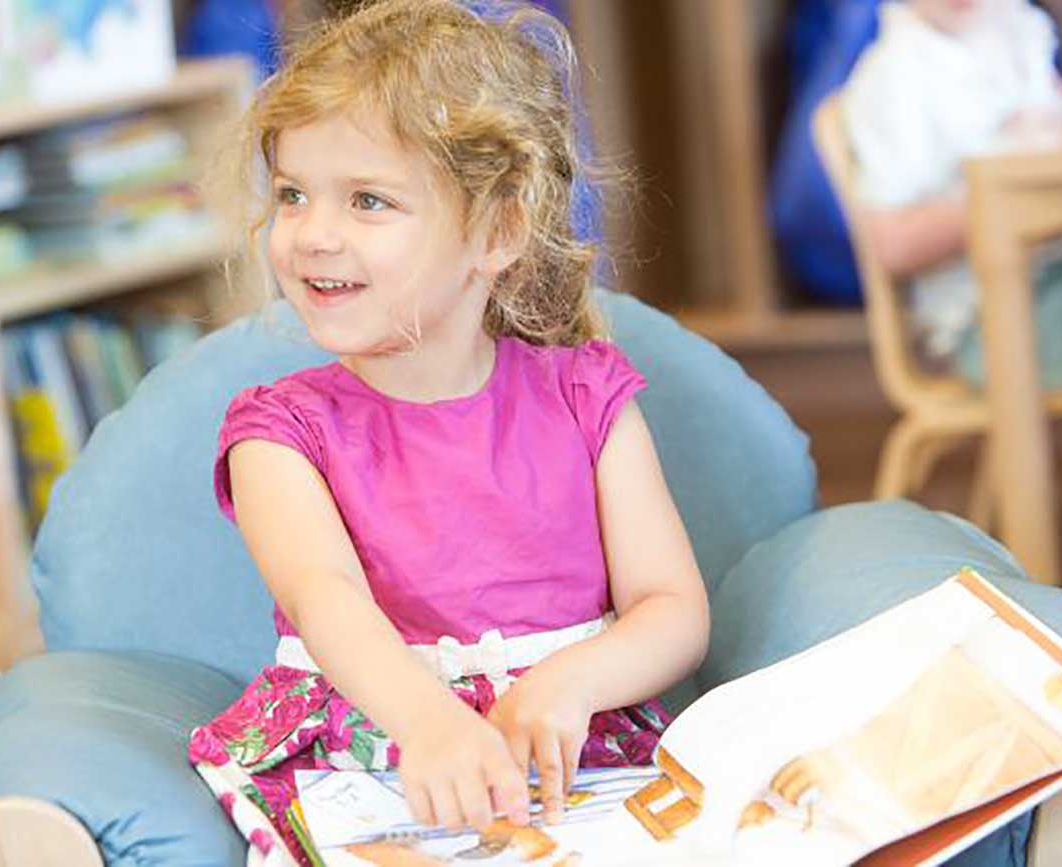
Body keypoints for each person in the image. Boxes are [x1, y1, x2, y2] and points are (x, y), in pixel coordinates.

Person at [185, 0, 710, 863]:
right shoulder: (277, 434)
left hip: (569, 746)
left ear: (496, 231)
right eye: (291, 194)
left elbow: (672, 608)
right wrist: (429, 724)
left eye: (367, 200)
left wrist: (571, 683)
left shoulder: (587, 394)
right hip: (377, 743)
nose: (313, 234)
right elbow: (328, 602)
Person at [841, 0, 1062, 382]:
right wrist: (1006, 191)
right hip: (991, 318)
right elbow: (892, 245)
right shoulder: (894, 77)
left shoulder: (1021, 32)